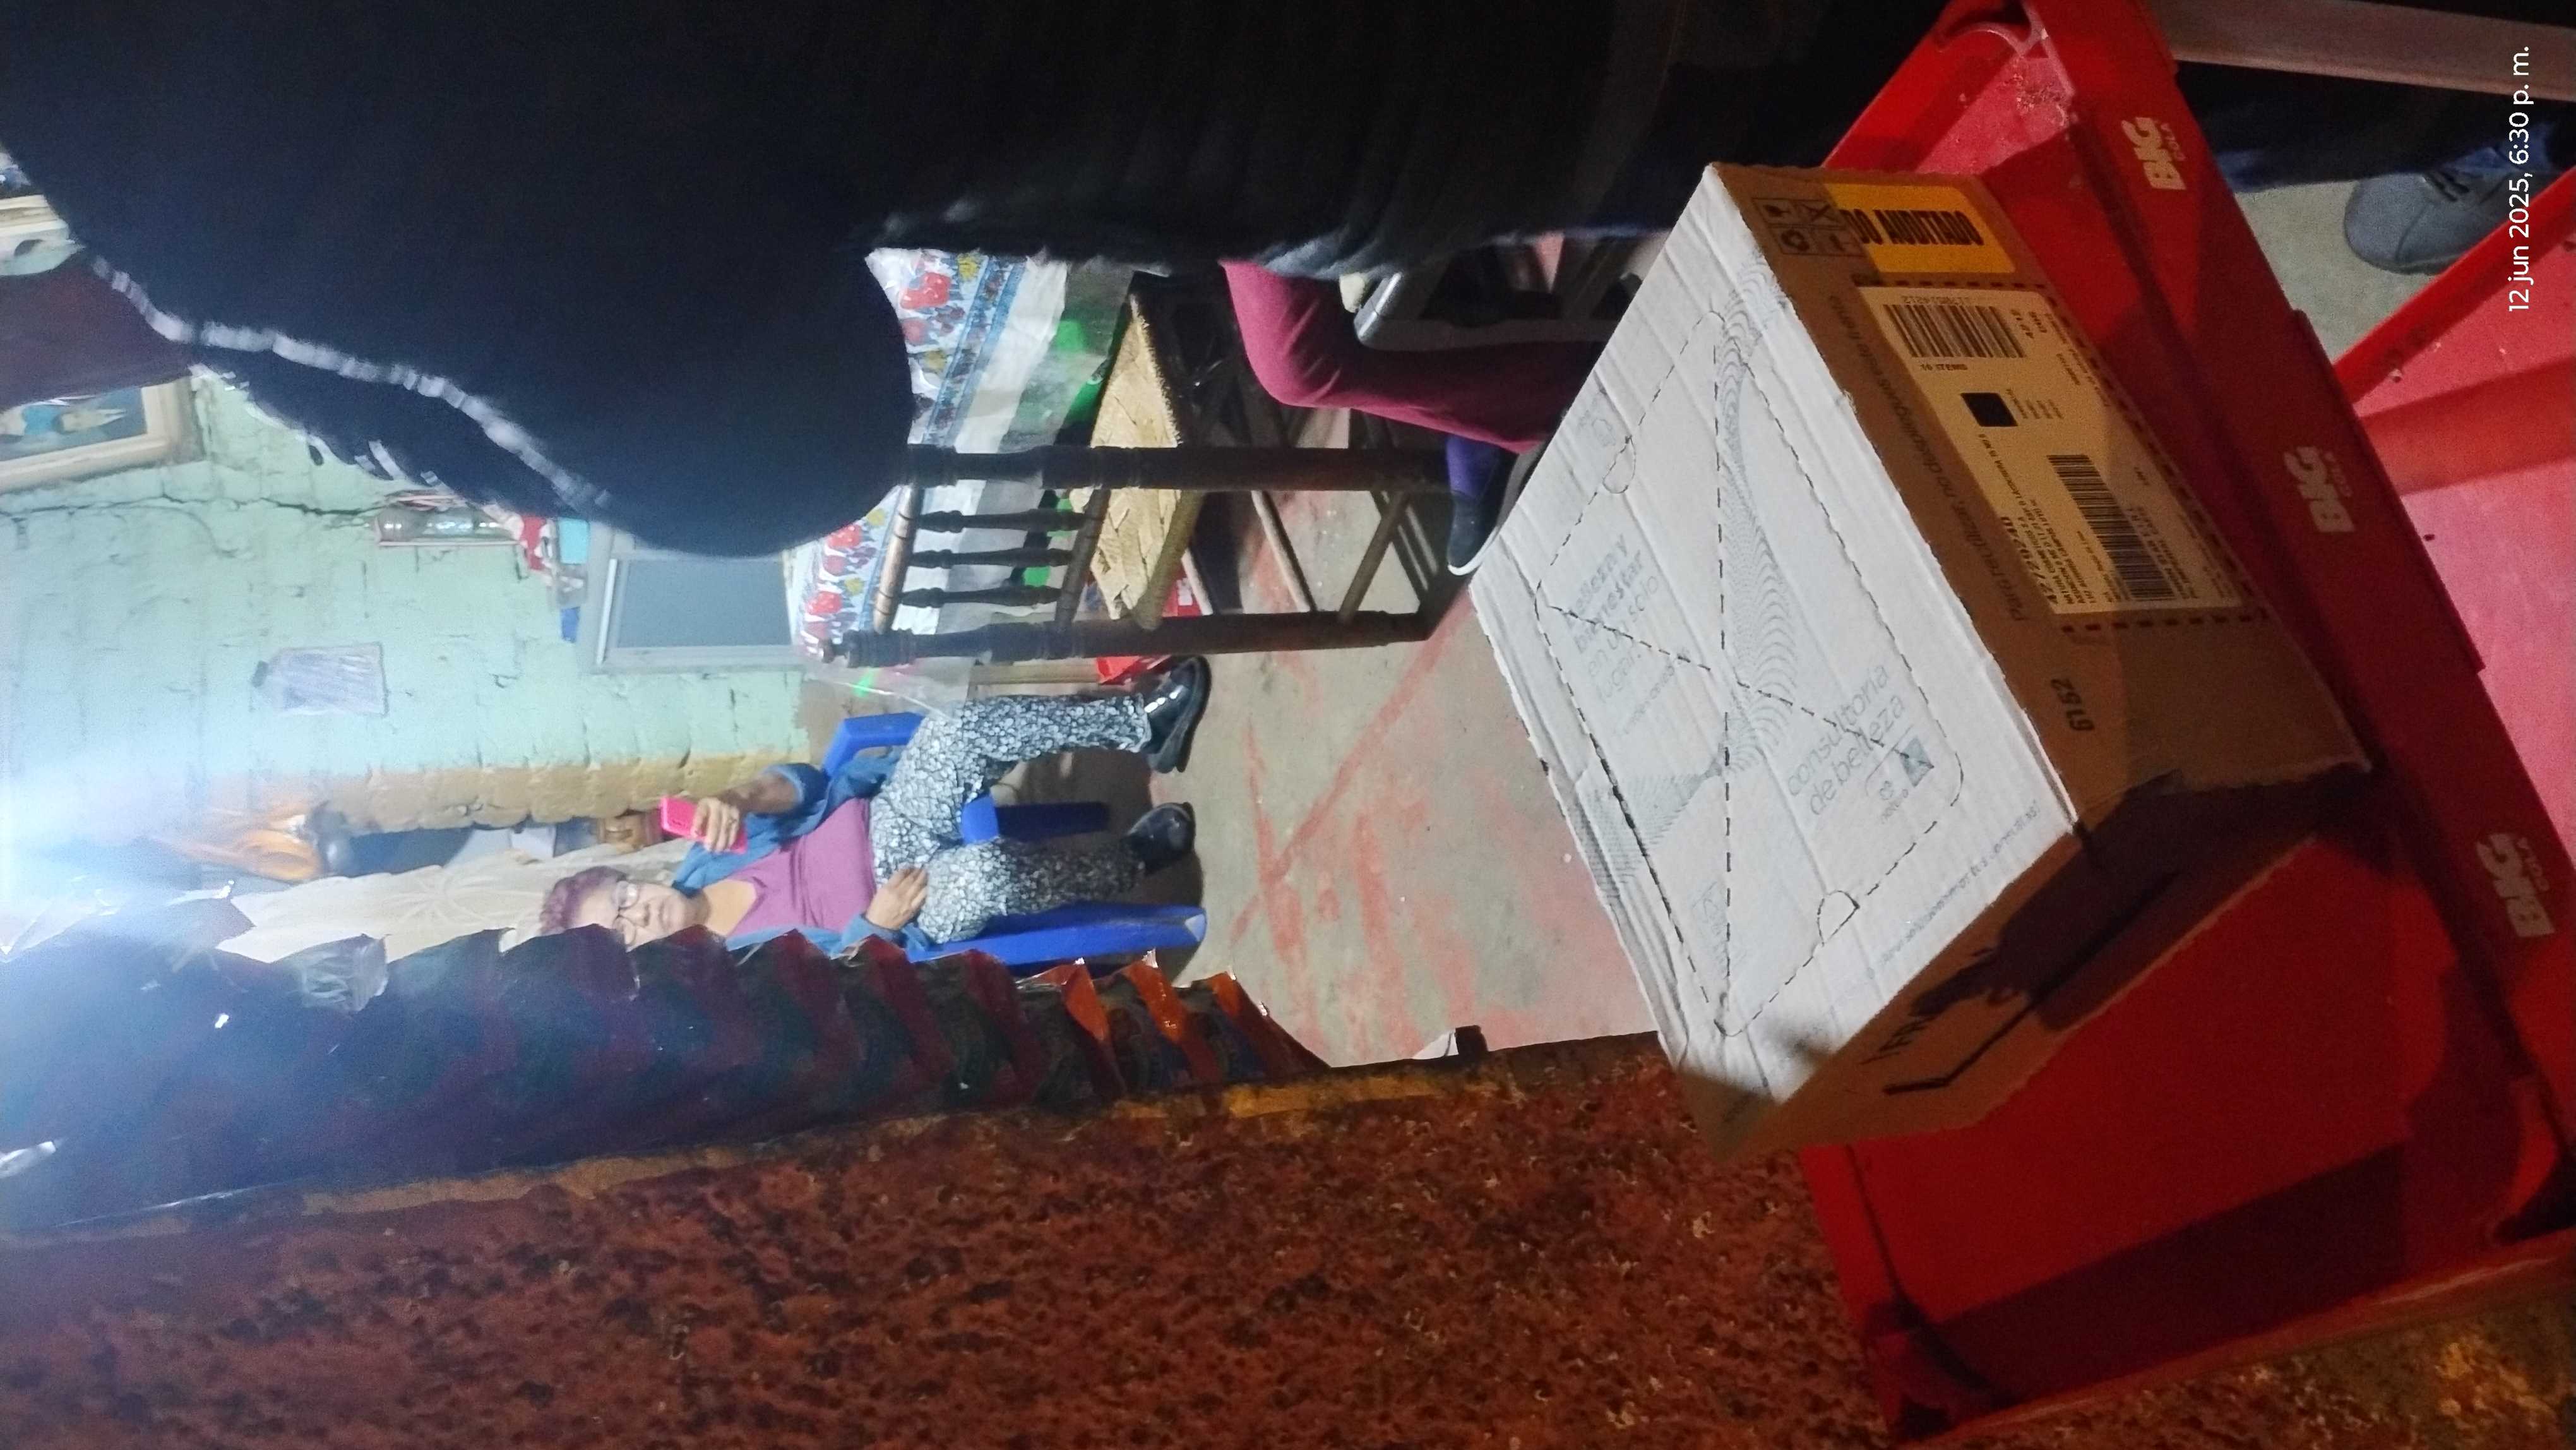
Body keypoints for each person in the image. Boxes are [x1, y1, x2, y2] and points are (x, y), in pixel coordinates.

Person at [1, 1, 2561, 554]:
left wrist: (227, 334)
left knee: (2068, 50)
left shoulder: (213, 170)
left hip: (1391, 56)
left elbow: (775, 434)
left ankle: (2495, 93)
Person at [539, 660, 1210, 955]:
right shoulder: (724, 976)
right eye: (621, 932)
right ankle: (1131, 861)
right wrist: (874, 927)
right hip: (903, 908)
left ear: (635, 878)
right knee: (988, 876)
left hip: (889, 817)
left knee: (952, 731)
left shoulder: (707, 854)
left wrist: (740, 796)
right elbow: (831, 1000)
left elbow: (803, 784)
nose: (639, 913)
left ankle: (1141, 725)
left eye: (623, 898)